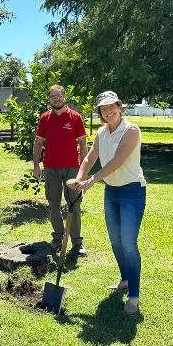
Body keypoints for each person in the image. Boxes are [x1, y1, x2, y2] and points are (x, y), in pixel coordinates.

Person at [67, 90, 146, 314]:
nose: (108, 111)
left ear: (120, 107)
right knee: (115, 241)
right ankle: (125, 279)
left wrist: (92, 180)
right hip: (111, 191)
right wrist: (80, 178)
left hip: (132, 191)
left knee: (129, 243)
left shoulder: (131, 130)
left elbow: (118, 161)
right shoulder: (102, 132)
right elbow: (90, 157)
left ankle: (134, 296)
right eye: (103, 108)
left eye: (112, 106)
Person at [33, 84, 88, 258]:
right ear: (49, 99)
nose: (56, 99)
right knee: (54, 205)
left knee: (74, 205)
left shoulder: (75, 117)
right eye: (53, 96)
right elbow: (38, 143)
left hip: (72, 168)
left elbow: (82, 144)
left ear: (65, 96)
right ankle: (57, 237)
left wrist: (83, 170)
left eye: (59, 95)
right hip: (51, 169)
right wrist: (36, 165)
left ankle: (77, 243)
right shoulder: (44, 118)